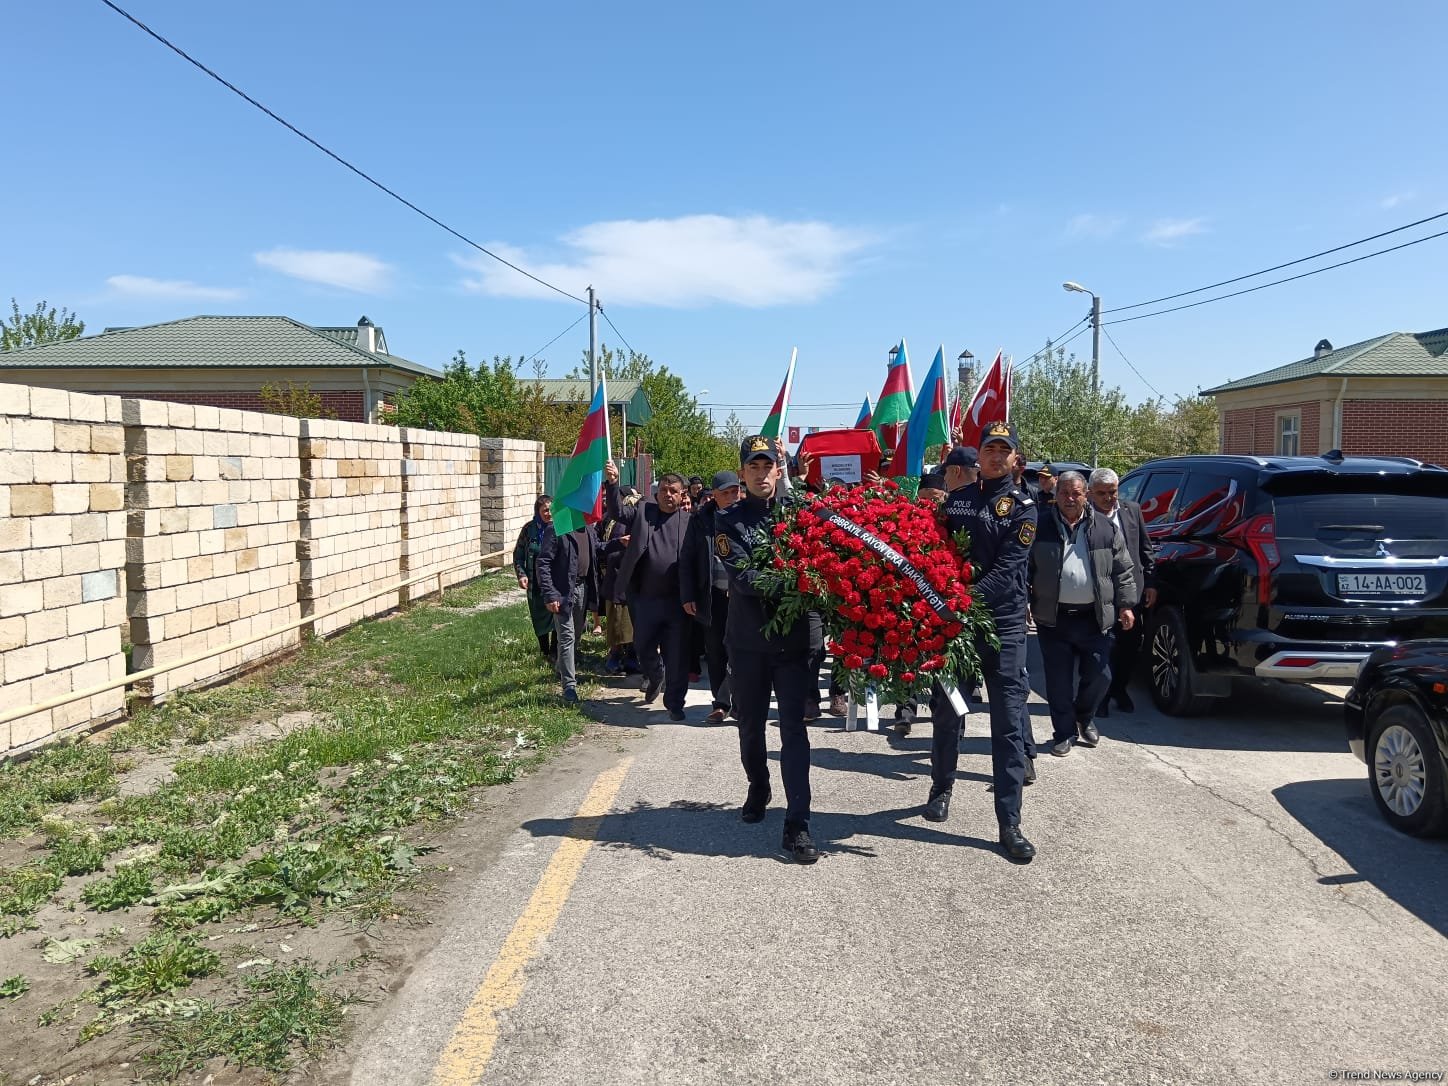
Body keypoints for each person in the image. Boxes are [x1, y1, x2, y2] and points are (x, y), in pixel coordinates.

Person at [928, 421, 1038, 862]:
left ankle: (1009, 822)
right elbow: (933, 550)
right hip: (957, 629)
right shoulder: (958, 500)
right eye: (989, 449)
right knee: (948, 709)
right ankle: (941, 787)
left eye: (1003, 450)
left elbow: (1009, 568)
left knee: (1007, 723)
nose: (995, 456)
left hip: (1003, 629)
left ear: (1014, 458)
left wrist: (962, 600)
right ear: (979, 455)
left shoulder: (1024, 508)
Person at [716, 435, 819, 864]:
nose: (761, 474)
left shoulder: (801, 514)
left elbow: (824, 560)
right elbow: (742, 579)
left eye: (767, 465)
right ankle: (758, 786)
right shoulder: (728, 520)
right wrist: (798, 581)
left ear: (779, 470)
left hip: (793, 644)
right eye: (753, 467)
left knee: (793, 730)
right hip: (748, 644)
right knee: (750, 726)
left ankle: (798, 823)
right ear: (743, 474)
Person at [1027, 471, 1136, 757]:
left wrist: (1125, 605)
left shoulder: (1105, 527)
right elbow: (1024, 567)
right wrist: (1025, 600)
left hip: (1094, 617)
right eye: (1064, 493)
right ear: (1056, 495)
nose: (1070, 498)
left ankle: (1084, 716)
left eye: (1076, 493)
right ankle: (1063, 733)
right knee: (1058, 682)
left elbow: (1123, 570)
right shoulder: (1039, 525)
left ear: (1085, 495)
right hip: (1054, 618)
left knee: (1102, 675)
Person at [607, 468, 693, 721]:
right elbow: (617, 512)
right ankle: (655, 675)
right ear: (657, 493)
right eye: (663, 490)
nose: (667, 495)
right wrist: (613, 483)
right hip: (645, 598)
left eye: (673, 491)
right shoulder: (643, 511)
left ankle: (675, 703)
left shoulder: (690, 522)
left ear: (682, 495)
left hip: (677, 602)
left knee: (676, 656)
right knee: (643, 646)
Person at [1088, 468, 1157, 715]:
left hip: (1131, 590)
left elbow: (1145, 549)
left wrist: (1151, 582)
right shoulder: (1085, 515)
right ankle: (1102, 696)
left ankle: (1119, 689)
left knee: (1129, 646)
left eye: (1113, 492)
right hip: (1099, 592)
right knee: (1102, 647)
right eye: (1102, 493)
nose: (1109, 498)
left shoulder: (1132, 510)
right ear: (1090, 494)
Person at [681, 469, 743, 723]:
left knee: (740, 650)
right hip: (713, 595)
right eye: (725, 493)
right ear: (714, 495)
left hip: (743, 595)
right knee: (716, 650)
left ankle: (738, 702)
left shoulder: (748, 516)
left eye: (734, 492)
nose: (731, 497)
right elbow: (687, 559)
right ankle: (721, 703)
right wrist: (688, 595)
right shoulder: (700, 520)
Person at [890, 469, 948, 736]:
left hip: (941, 602)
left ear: (944, 497)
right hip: (909, 600)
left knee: (940, 659)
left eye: (935, 498)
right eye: (924, 497)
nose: (929, 503)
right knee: (907, 658)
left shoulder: (950, 522)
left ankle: (940, 710)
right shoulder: (906, 519)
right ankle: (904, 711)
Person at [535, 510, 602, 705]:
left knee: (577, 633)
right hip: (563, 591)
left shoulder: (588, 528)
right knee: (566, 637)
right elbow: (543, 562)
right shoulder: (557, 527)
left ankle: (561, 667)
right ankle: (569, 686)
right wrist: (550, 594)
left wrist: (619, 543)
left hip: (583, 588)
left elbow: (597, 548)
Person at [512, 495, 556, 659]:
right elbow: (518, 555)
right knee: (539, 616)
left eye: (551, 510)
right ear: (538, 511)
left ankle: (555, 651)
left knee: (556, 616)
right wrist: (521, 575)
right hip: (535, 583)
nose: (549, 514)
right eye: (545, 510)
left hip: (554, 582)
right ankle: (544, 651)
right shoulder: (529, 530)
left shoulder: (559, 527)